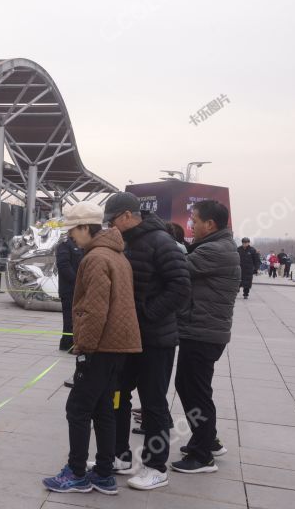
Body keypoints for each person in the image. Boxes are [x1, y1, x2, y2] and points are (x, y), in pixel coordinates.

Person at [43, 201, 141, 496]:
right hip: (117, 346)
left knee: (78, 407)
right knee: (103, 409)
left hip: (100, 346)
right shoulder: (116, 254)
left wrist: (83, 347)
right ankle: (103, 473)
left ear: (86, 227)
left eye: (73, 230)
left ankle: (75, 473)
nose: (71, 236)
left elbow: (95, 310)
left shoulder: (96, 258)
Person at [104, 193, 191, 490]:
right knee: (118, 394)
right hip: (128, 337)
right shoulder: (125, 242)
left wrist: (147, 314)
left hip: (156, 339)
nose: (111, 226)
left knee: (153, 403)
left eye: (113, 220)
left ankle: (156, 467)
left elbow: (181, 287)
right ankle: (119, 454)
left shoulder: (161, 241)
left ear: (128, 215)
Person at [171, 200, 240, 474]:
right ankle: (207, 440)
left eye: (195, 220)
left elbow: (178, 267)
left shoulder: (215, 250)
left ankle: (202, 456)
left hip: (203, 332)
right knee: (191, 387)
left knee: (195, 391)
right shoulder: (216, 246)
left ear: (210, 224)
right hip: (201, 330)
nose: (191, 225)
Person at [56, 234, 83, 351]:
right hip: (69, 289)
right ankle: (67, 343)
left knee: (77, 318)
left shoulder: (81, 244)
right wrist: (77, 281)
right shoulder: (65, 245)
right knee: (69, 319)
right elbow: (63, 266)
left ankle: (70, 342)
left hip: (79, 289)